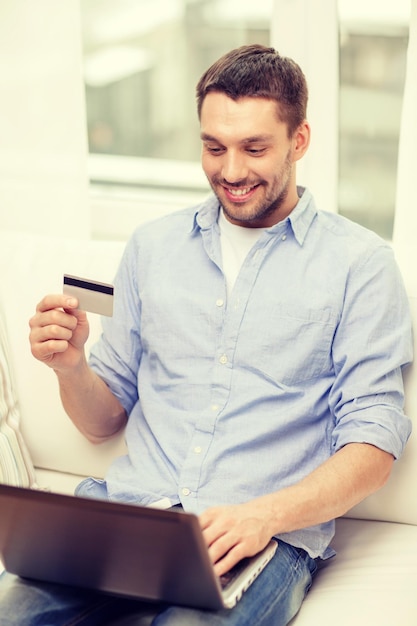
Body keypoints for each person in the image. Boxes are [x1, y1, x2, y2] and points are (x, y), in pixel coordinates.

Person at [0, 44, 412, 626]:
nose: (232, 171)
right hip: (127, 515)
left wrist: (262, 517)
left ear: (300, 141)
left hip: (260, 541)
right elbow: (102, 422)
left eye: (255, 148)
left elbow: (373, 449)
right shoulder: (152, 247)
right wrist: (71, 367)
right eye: (214, 147)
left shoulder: (361, 266)